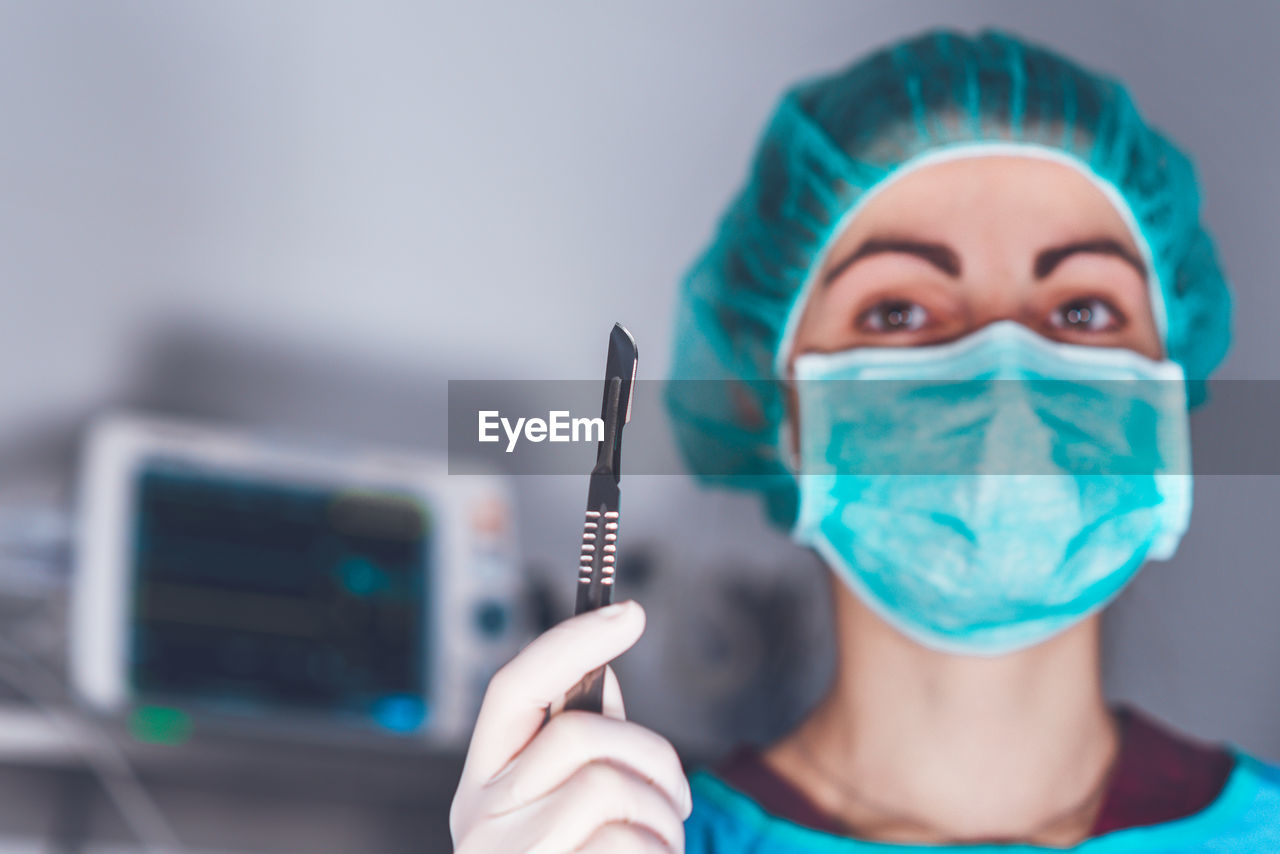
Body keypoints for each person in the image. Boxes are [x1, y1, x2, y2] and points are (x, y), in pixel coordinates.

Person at [449, 29, 1279, 853]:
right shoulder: (626, 840)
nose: (1004, 381)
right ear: (782, 415)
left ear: (1165, 396)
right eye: (899, 312)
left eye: (1082, 311)